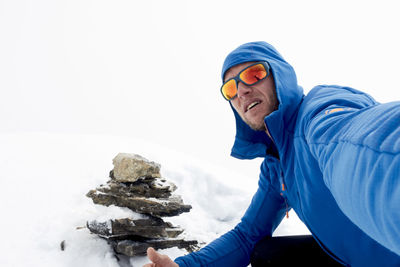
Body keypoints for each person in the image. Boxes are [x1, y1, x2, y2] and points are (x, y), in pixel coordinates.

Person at [143, 41, 400, 266]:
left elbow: (355, 144)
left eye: (254, 74)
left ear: (281, 76)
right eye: (230, 89)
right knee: (269, 254)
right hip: (357, 259)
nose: (241, 90)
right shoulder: (276, 163)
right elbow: (248, 235)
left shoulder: (317, 112)